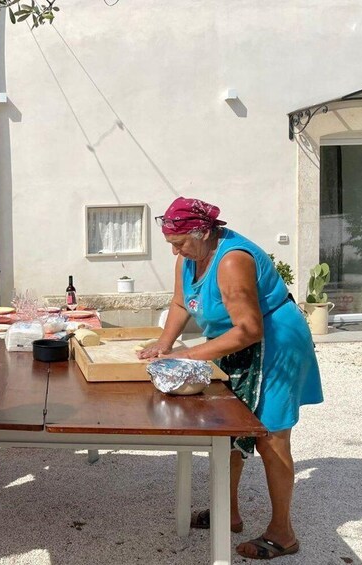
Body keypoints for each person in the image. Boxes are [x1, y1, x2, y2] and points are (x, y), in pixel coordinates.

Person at [138, 197, 323, 560]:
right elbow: (180, 303)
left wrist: (186, 354)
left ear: (204, 232)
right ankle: (229, 512)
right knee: (225, 426)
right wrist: (163, 344)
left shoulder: (233, 260)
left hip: (273, 343)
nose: (175, 250)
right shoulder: (188, 255)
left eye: (180, 243)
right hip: (230, 342)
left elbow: (250, 329)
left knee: (271, 435)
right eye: (171, 243)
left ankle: (283, 533)